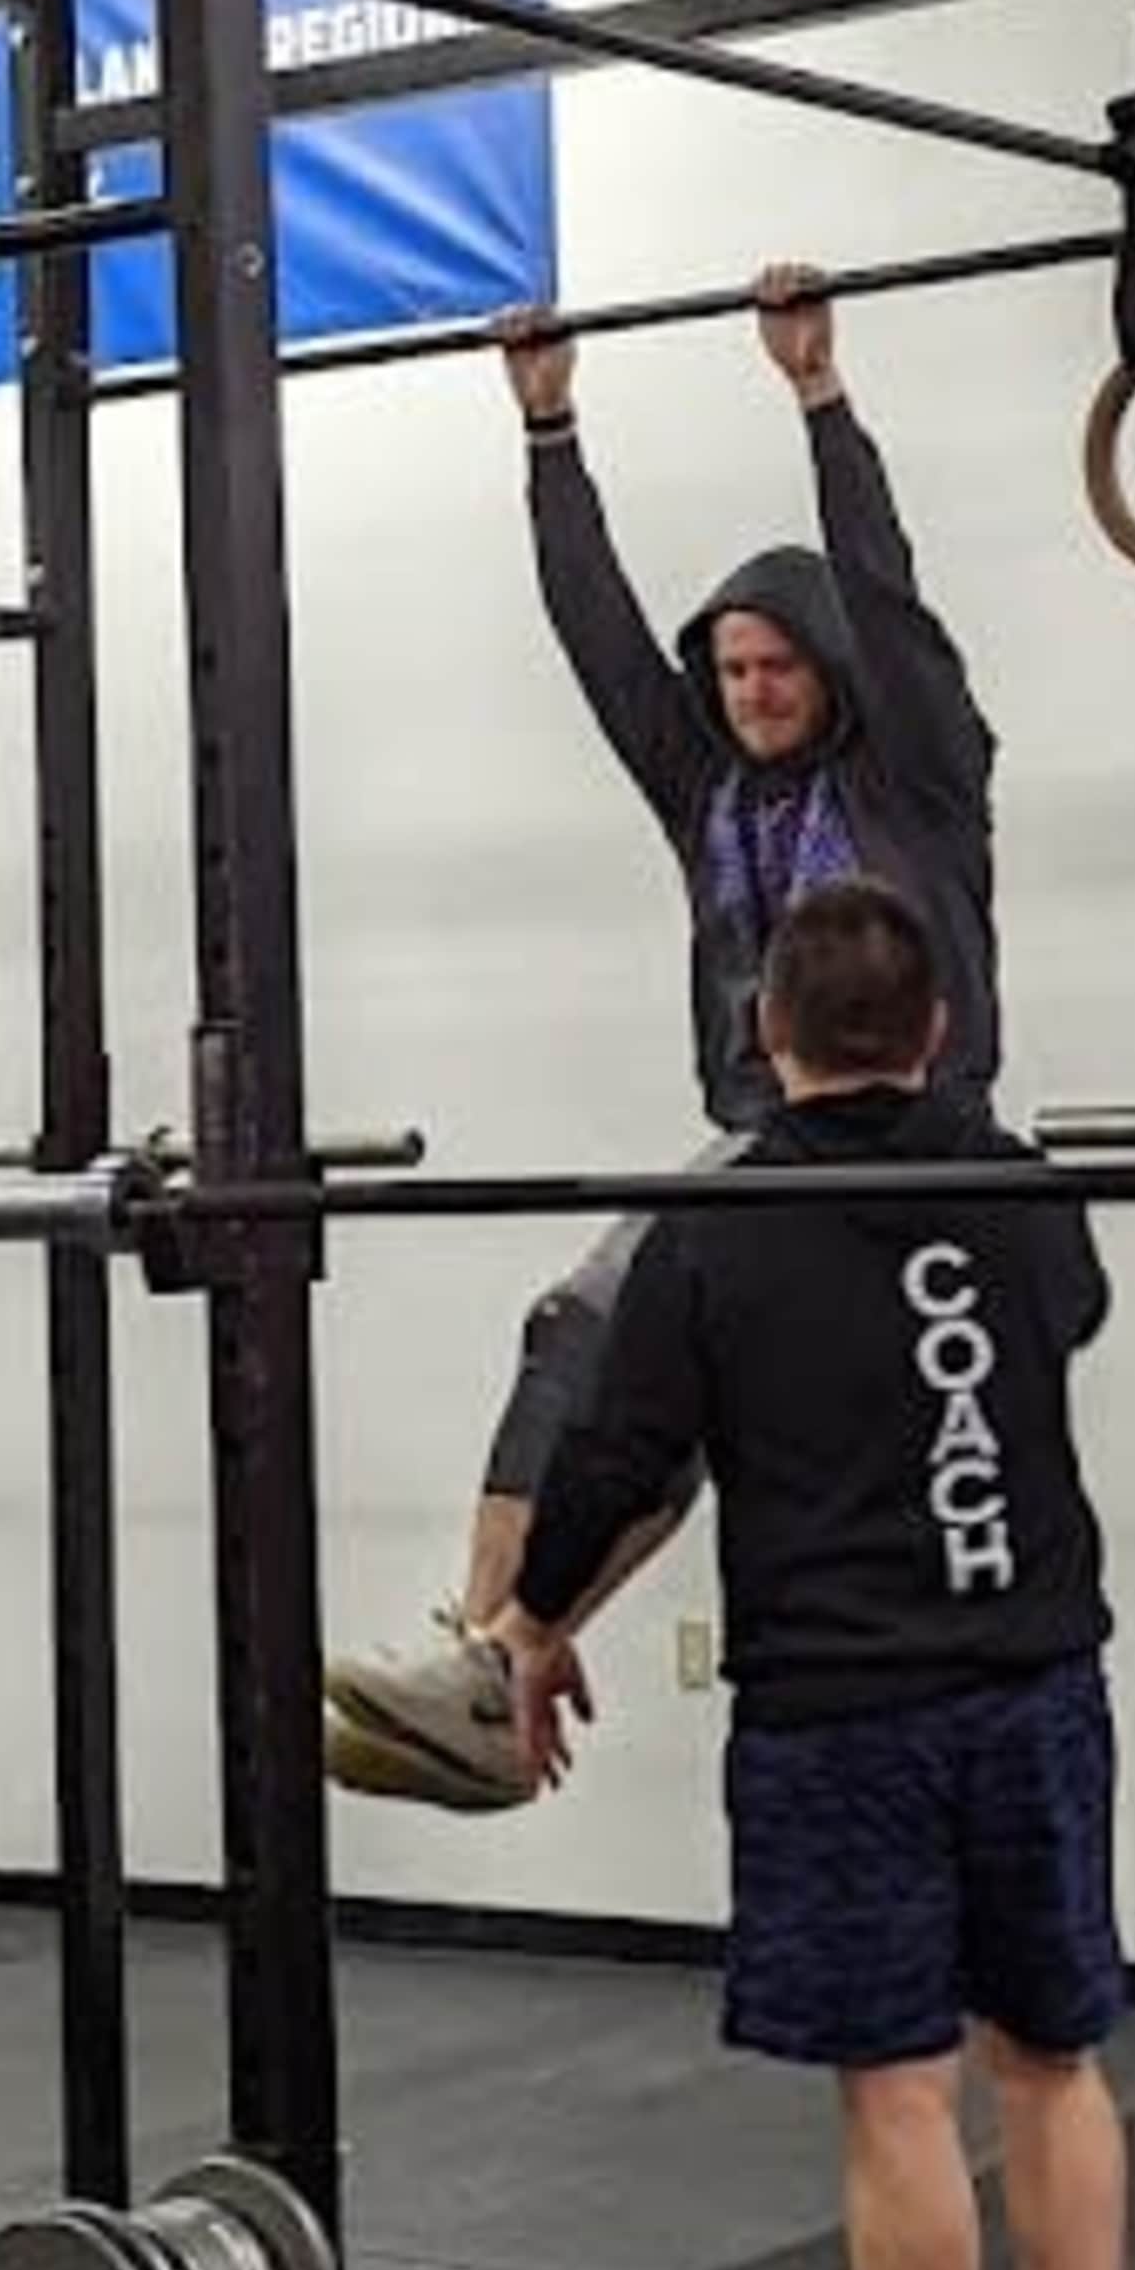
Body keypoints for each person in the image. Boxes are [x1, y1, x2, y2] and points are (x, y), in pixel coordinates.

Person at [498, 874, 1135, 2270]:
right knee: (1054, 2057)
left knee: (899, 2091)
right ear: (939, 1028)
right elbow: (1067, 1323)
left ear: (758, 1032)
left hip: (847, 1711)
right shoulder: (1021, 1192)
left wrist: (530, 1622)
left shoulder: (712, 1222)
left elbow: (621, 1455)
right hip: (1035, 1682)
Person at [322, 257, 999, 1810]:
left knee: (660, 1348)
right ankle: (484, 1654)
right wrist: (550, 434)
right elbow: (603, 644)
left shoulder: (918, 783)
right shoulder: (710, 794)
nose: (752, 690)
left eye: (780, 666)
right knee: (584, 1335)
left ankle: (504, 1653)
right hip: (770, 1144)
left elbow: (887, 598)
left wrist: (819, 395)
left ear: (829, 674)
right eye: (735, 668)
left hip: (913, 1140)